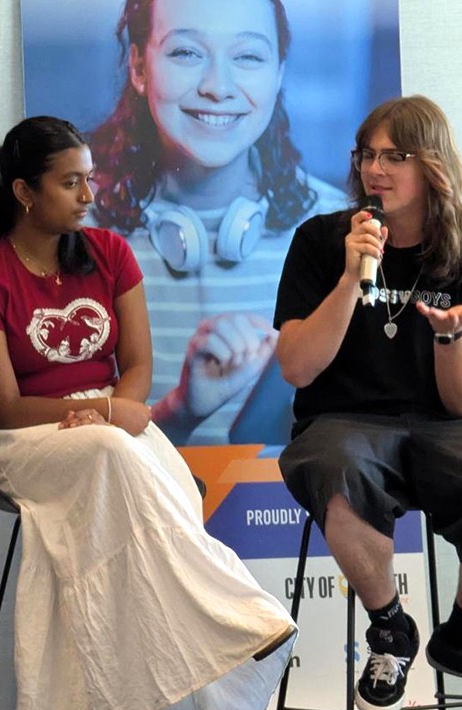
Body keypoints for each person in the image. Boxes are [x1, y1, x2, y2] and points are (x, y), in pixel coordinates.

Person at [0, 115, 297, 710]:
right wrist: (106, 417)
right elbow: (2, 405)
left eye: (89, 179)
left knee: (128, 478)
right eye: (70, 182)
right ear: (25, 192)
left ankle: (118, 702)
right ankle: (237, 614)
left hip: (109, 423)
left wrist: (115, 409)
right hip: (27, 437)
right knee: (116, 459)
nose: (88, 195)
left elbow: (137, 366)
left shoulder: (111, 253)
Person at [273, 95, 462, 710]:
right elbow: (296, 367)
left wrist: (451, 335)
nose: (375, 170)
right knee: (336, 469)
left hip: (444, 425)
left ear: (431, 164)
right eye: (367, 155)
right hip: (343, 420)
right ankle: (390, 631)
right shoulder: (322, 242)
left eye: (394, 156)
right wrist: (353, 278)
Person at [91, 0, 348, 446]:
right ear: (138, 66)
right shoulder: (75, 232)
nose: (216, 87)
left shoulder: (340, 231)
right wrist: (182, 410)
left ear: (279, 75)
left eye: (248, 56)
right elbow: (73, 449)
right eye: (186, 53)